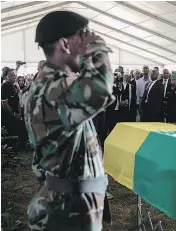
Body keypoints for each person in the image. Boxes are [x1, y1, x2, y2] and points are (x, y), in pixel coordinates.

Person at [25, 11, 114, 231]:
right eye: (81, 37)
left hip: (71, 203)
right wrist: (98, 45)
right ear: (64, 44)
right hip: (66, 211)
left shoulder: (58, 83)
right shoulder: (52, 87)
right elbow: (100, 90)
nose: (86, 44)